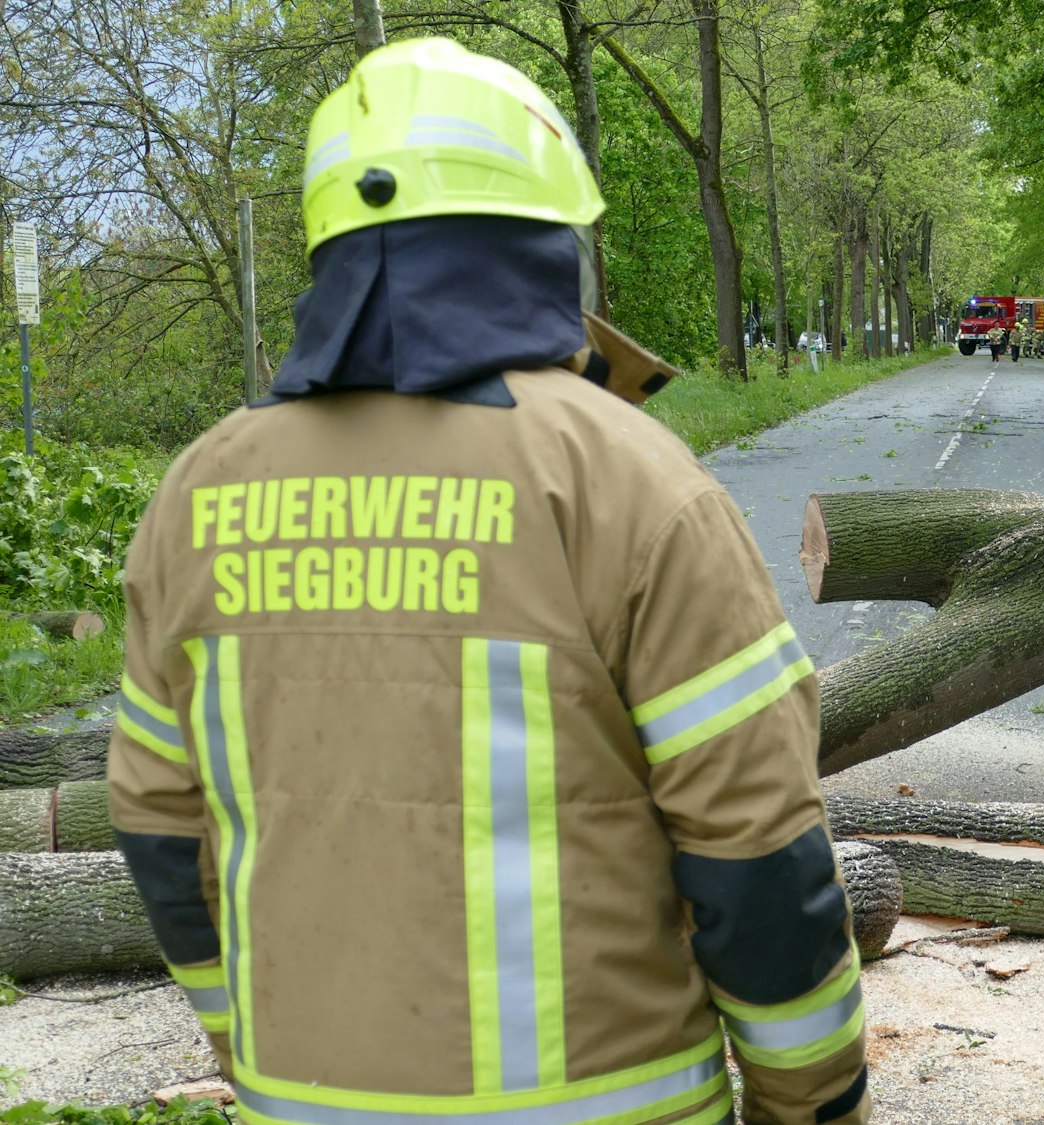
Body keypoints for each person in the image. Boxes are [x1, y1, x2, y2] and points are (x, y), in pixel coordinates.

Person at [107, 38, 869, 1125]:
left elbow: (156, 822)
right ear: (547, 240)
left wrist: (248, 1038)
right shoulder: (630, 481)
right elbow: (754, 850)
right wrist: (813, 1105)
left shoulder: (197, 492)